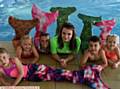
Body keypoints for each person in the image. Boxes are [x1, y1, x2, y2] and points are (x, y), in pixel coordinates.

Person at [0, 48, 110, 89]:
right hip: (33, 76)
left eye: (4, 58)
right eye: (0, 60)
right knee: (59, 76)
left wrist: (13, 85)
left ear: (8, 56)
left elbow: (20, 74)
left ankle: (87, 75)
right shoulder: (1, 68)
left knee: (59, 73)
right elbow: (2, 78)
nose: (2, 61)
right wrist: (6, 84)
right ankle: (87, 75)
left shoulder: (14, 60)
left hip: (32, 69)